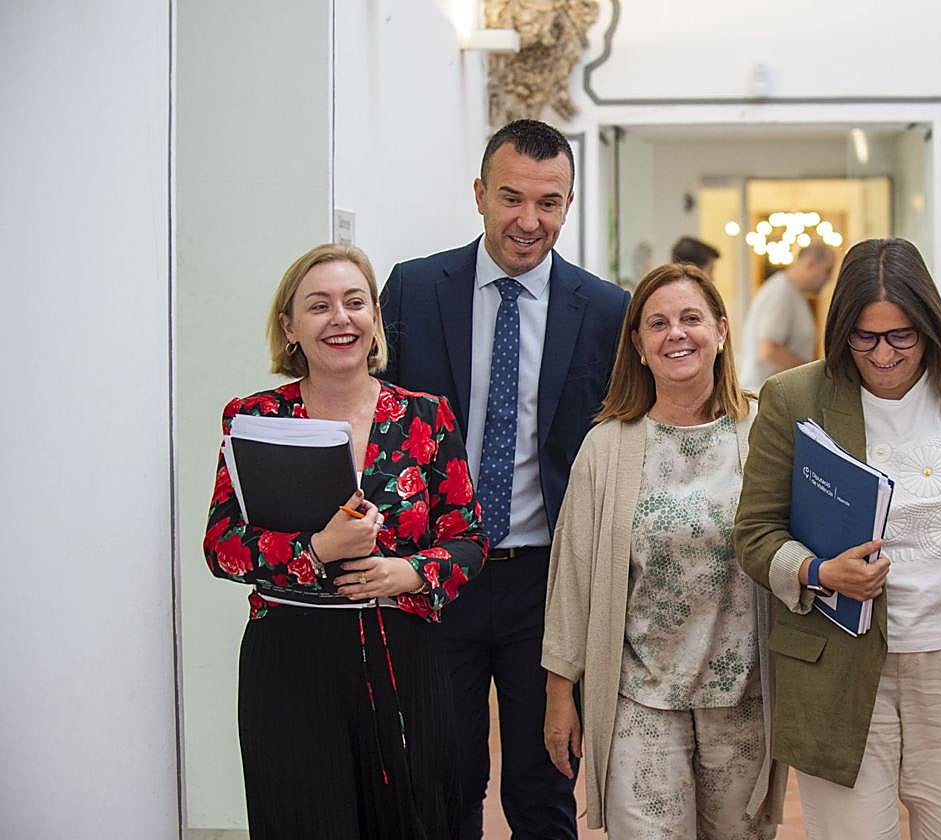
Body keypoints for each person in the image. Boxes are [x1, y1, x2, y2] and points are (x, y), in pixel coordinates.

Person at [733, 238, 941, 840]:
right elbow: (754, 533)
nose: (883, 354)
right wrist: (818, 572)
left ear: (929, 328)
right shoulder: (795, 397)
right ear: (841, 332)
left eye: (901, 337)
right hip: (839, 664)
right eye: (865, 338)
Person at [378, 119, 630, 838]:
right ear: (480, 194)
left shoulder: (605, 311)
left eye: (548, 203)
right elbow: (379, 422)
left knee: (544, 788)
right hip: (436, 575)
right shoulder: (415, 290)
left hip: (547, 584)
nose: (528, 220)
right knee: (443, 782)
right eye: (512, 198)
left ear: (568, 205)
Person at [203, 243, 486, 839]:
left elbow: (468, 539)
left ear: (375, 318)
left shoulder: (426, 416)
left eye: (355, 303)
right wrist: (316, 551)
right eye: (319, 306)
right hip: (291, 662)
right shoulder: (255, 418)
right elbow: (222, 545)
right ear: (289, 327)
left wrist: (409, 573)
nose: (341, 318)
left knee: (412, 820)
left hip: (404, 657)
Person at [542, 263, 787, 838]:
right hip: (640, 696)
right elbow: (572, 577)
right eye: (658, 323)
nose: (676, 333)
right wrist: (560, 691)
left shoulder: (764, 432)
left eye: (691, 318)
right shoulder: (606, 447)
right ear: (638, 344)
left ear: (720, 332)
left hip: (744, 696)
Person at [738, 242, 835, 390]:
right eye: (827, 270)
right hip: (766, 393)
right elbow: (769, 350)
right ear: (810, 264)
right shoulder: (781, 293)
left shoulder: (792, 293)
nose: (829, 278)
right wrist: (814, 374)